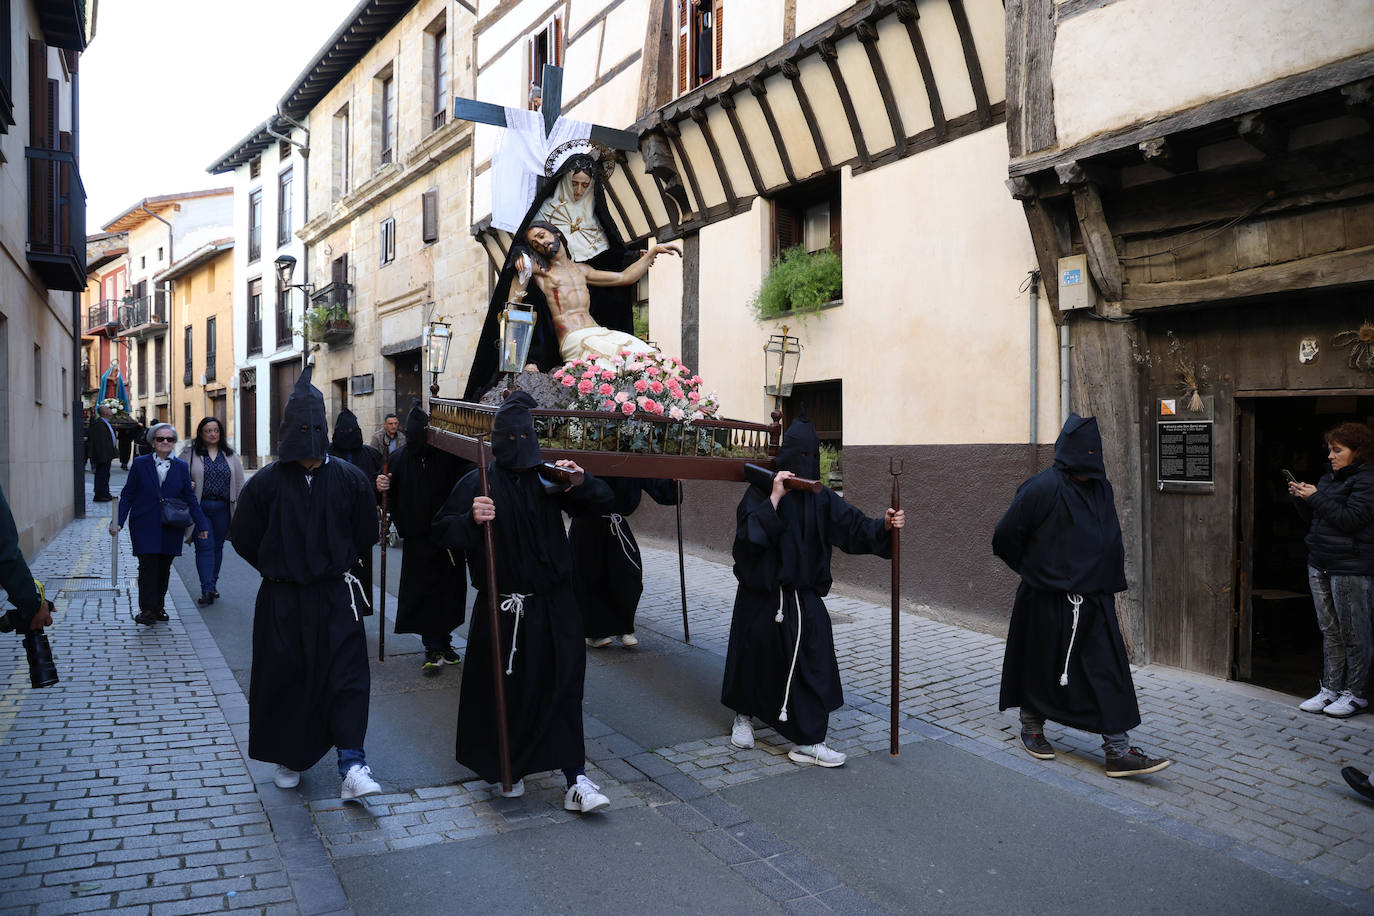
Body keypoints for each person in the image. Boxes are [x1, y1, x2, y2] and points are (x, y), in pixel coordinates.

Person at [432, 392, 615, 811]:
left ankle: (575, 776)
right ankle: (507, 767)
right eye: (509, 437)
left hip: (555, 606)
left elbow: (603, 504)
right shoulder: (477, 482)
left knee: (564, 687)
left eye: (524, 436)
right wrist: (470, 519)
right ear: (497, 441)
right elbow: (441, 532)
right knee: (508, 692)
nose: (518, 445)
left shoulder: (550, 478)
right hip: (502, 610)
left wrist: (581, 480)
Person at [228, 367, 382, 801]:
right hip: (282, 598)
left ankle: (352, 762)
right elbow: (243, 539)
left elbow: (365, 535)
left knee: (347, 677)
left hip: (336, 595)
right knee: (286, 678)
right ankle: (290, 755)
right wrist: (281, 567)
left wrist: (332, 561)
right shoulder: (265, 485)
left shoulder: (351, 480)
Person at [994, 414, 1172, 777]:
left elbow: (1107, 540)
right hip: (1044, 599)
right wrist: (1038, 574)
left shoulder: (1100, 488)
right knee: (1038, 662)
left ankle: (1118, 751)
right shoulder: (1041, 488)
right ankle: (1031, 727)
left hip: (1093, 600)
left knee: (1107, 671)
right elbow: (1005, 538)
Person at [722, 416, 903, 768]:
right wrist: (775, 497)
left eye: (811, 454)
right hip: (762, 595)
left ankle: (809, 740)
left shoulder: (821, 498)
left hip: (804, 597)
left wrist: (883, 525)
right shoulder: (759, 491)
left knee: (815, 662)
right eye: (798, 454)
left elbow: (853, 526)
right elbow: (746, 544)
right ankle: (743, 717)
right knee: (754, 657)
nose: (805, 461)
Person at [464, 152, 639, 399]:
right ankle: (533, 358)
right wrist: (525, 258)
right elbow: (526, 251)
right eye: (574, 183)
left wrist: (634, 258)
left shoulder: (594, 215)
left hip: (586, 301)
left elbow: (610, 261)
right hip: (559, 315)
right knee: (532, 308)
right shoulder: (546, 214)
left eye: (585, 185)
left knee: (630, 357)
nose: (579, 190)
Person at [374, 404, 471, 671]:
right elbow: (386, 494)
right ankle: (432, 645)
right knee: (424, 594)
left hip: (448, 539)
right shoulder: (397, 459)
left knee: (449, 593)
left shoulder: (448, 457)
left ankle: (445, 642)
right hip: (417, 540)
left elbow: (466, 482)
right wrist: (380, 486)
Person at [1289, 422, 1374, 718]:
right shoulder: (1328, 480)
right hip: (1320, 563)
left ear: (1358, 452)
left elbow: (1351, 519)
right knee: (1330, 631)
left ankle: (1356, 694)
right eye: (1330, 450)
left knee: (1355, 633)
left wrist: (1316, 498)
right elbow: (1317, 519)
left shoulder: (1368, 481)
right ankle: (1330, 689)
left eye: (1338, 450)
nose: (1331, 456)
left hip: (1350, 567)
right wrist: (1302, 499)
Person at [510, 221, 678, 365]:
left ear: (557, 234)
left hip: (598, 331)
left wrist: (652, 252)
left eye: (541, 236)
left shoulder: (582, 270)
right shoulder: (542, 271)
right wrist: (519, 252)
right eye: (535, 244)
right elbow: (513, 302)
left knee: (650, 355)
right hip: (573, 338)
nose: (541, 243)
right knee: (622, 359)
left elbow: (624, 277)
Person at [110, 424, 209, 625]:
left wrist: (202, 525)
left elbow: (190, 498)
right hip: (144, 523)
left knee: (164, 567)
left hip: (171, 524)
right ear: (153, 442)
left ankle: (158, 606)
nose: (165, 442)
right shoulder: (140, 464)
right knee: (147, 566)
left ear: (174, 443)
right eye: (161, 439)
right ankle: (147, 609)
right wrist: (118, 521)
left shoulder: (181, 467)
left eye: (170, 439)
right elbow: (128, 494)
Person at [573, 477, 680, 648]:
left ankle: (624, 628)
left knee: (628, 576)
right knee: (591, 577)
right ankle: (595, 632)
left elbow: (655, 483)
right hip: (587, 524)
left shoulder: (635, 457)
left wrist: (673, 485)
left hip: (616, 523)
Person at [179, 417, 246, 606]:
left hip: (224, 509)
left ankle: (212, 584)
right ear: (201, 433)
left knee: (217, 547)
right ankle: (206, 589)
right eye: (208, 431)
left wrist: (241, 509)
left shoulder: (230, 455)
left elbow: (240, 483)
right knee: (204, 546)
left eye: (216, 430)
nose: (213, 434)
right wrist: (187, 484)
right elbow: (176, 476)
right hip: (200, 508)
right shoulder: (189, 453)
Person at [329, 408, 384, 612]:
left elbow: (382, 483)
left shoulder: (371, 454)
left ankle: (359, 608)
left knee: (362, 568)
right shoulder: (327, 454)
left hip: (363, 521)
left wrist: (380, 492)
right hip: (335, 521)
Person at [87, 405, 119, 502]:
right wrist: (102, 456)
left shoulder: (105, 423)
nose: (110, 410)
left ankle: (105, 493)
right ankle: (100, 494)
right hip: (102, 455)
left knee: (105, 474)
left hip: (107, 455)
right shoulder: (99, 424)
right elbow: (98, 442)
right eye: (108, 409)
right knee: (101, 474)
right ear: (104, 412)